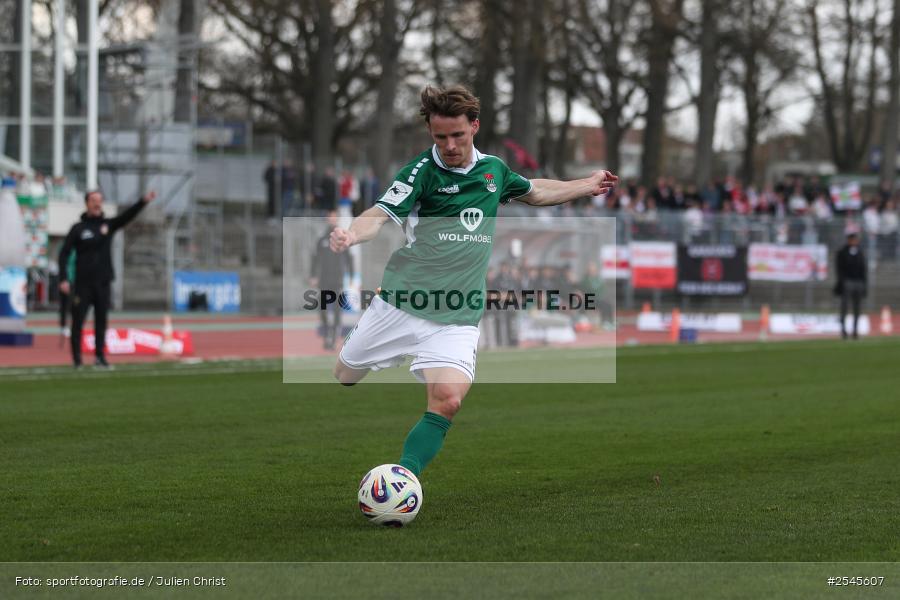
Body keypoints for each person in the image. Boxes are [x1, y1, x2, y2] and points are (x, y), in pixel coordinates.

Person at [327, 84, 617, 477]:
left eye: (457, 135)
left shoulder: (493, 170)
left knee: (448, 399)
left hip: (458, 314)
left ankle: (403, 478)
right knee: (345, 375)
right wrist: (350, 234)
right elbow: (378, 215)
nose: (449, 145)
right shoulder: (419, 173)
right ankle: (366, 347)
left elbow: (535, 191)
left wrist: (587, 184)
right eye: (440, 137)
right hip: (402, 302)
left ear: (474, 126)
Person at [58, 189, 156, 367]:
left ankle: (100, 356)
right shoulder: (78, 229)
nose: (97, 204)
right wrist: (64, 278)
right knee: (78, 321)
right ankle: (77, 360)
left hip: (103, 283)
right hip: (82, 284)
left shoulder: (108, 225)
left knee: (101, 321)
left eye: (99, 200)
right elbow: (64, 254)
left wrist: (143, 201)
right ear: (87, 203)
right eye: (93, 200)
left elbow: (127, 216)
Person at [309, 210, 354, 350]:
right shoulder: (322, 239)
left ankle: (334, 338)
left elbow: (349, 259)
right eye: (330, 217)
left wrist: (351, 276)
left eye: (335, 218)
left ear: (337, 219)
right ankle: (327, 333)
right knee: (322, 309)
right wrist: (313, 275)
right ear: (327, 219)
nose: (332, 220)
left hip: (337, 279)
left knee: (336, 310)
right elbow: (315, 259)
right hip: (324, 279)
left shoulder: (343, 239)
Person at [834, 231, 867, 340]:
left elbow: (864, 269)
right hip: (847, 282)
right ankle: (843, 331)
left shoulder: (860, 252)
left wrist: (864, 284)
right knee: (844, 307)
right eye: (852, 240)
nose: (854, 241)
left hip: (858, 282)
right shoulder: (842, 252)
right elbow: (839, 269)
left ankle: (855, 331)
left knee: (857, 308)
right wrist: (841, 282)